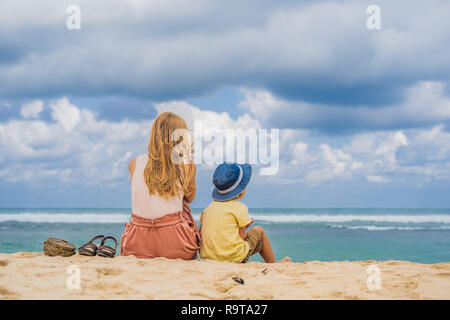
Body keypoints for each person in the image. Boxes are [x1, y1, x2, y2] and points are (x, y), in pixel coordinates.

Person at [120, 112, 200, 259]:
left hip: (137, 242)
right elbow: (190, 198)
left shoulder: (134, 163)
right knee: (185, 208)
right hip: (175, 243)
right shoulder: (186, 164)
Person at [199, 162, 291, 263]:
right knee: (259, 230)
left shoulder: (207, 209)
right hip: (233, 258)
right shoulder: (240, 208)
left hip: (208, 258)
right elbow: (242, 237)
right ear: (240, 192)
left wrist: (238, 228)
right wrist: (244, 229)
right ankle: (272, 264)